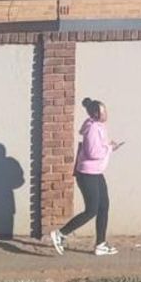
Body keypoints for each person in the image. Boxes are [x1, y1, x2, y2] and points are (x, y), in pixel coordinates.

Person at [49, 97, 120, 256]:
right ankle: (60, 234)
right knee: (91, 210)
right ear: (96, 114)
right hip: (87, 174)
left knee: (104, 206)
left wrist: (110, 146)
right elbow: (93, 153)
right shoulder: (93, 128)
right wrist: (109, 148)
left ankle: (100, 244)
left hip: (96, 173)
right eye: (103, 111)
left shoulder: (99, 126)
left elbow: (99, 146)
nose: (106, 113)